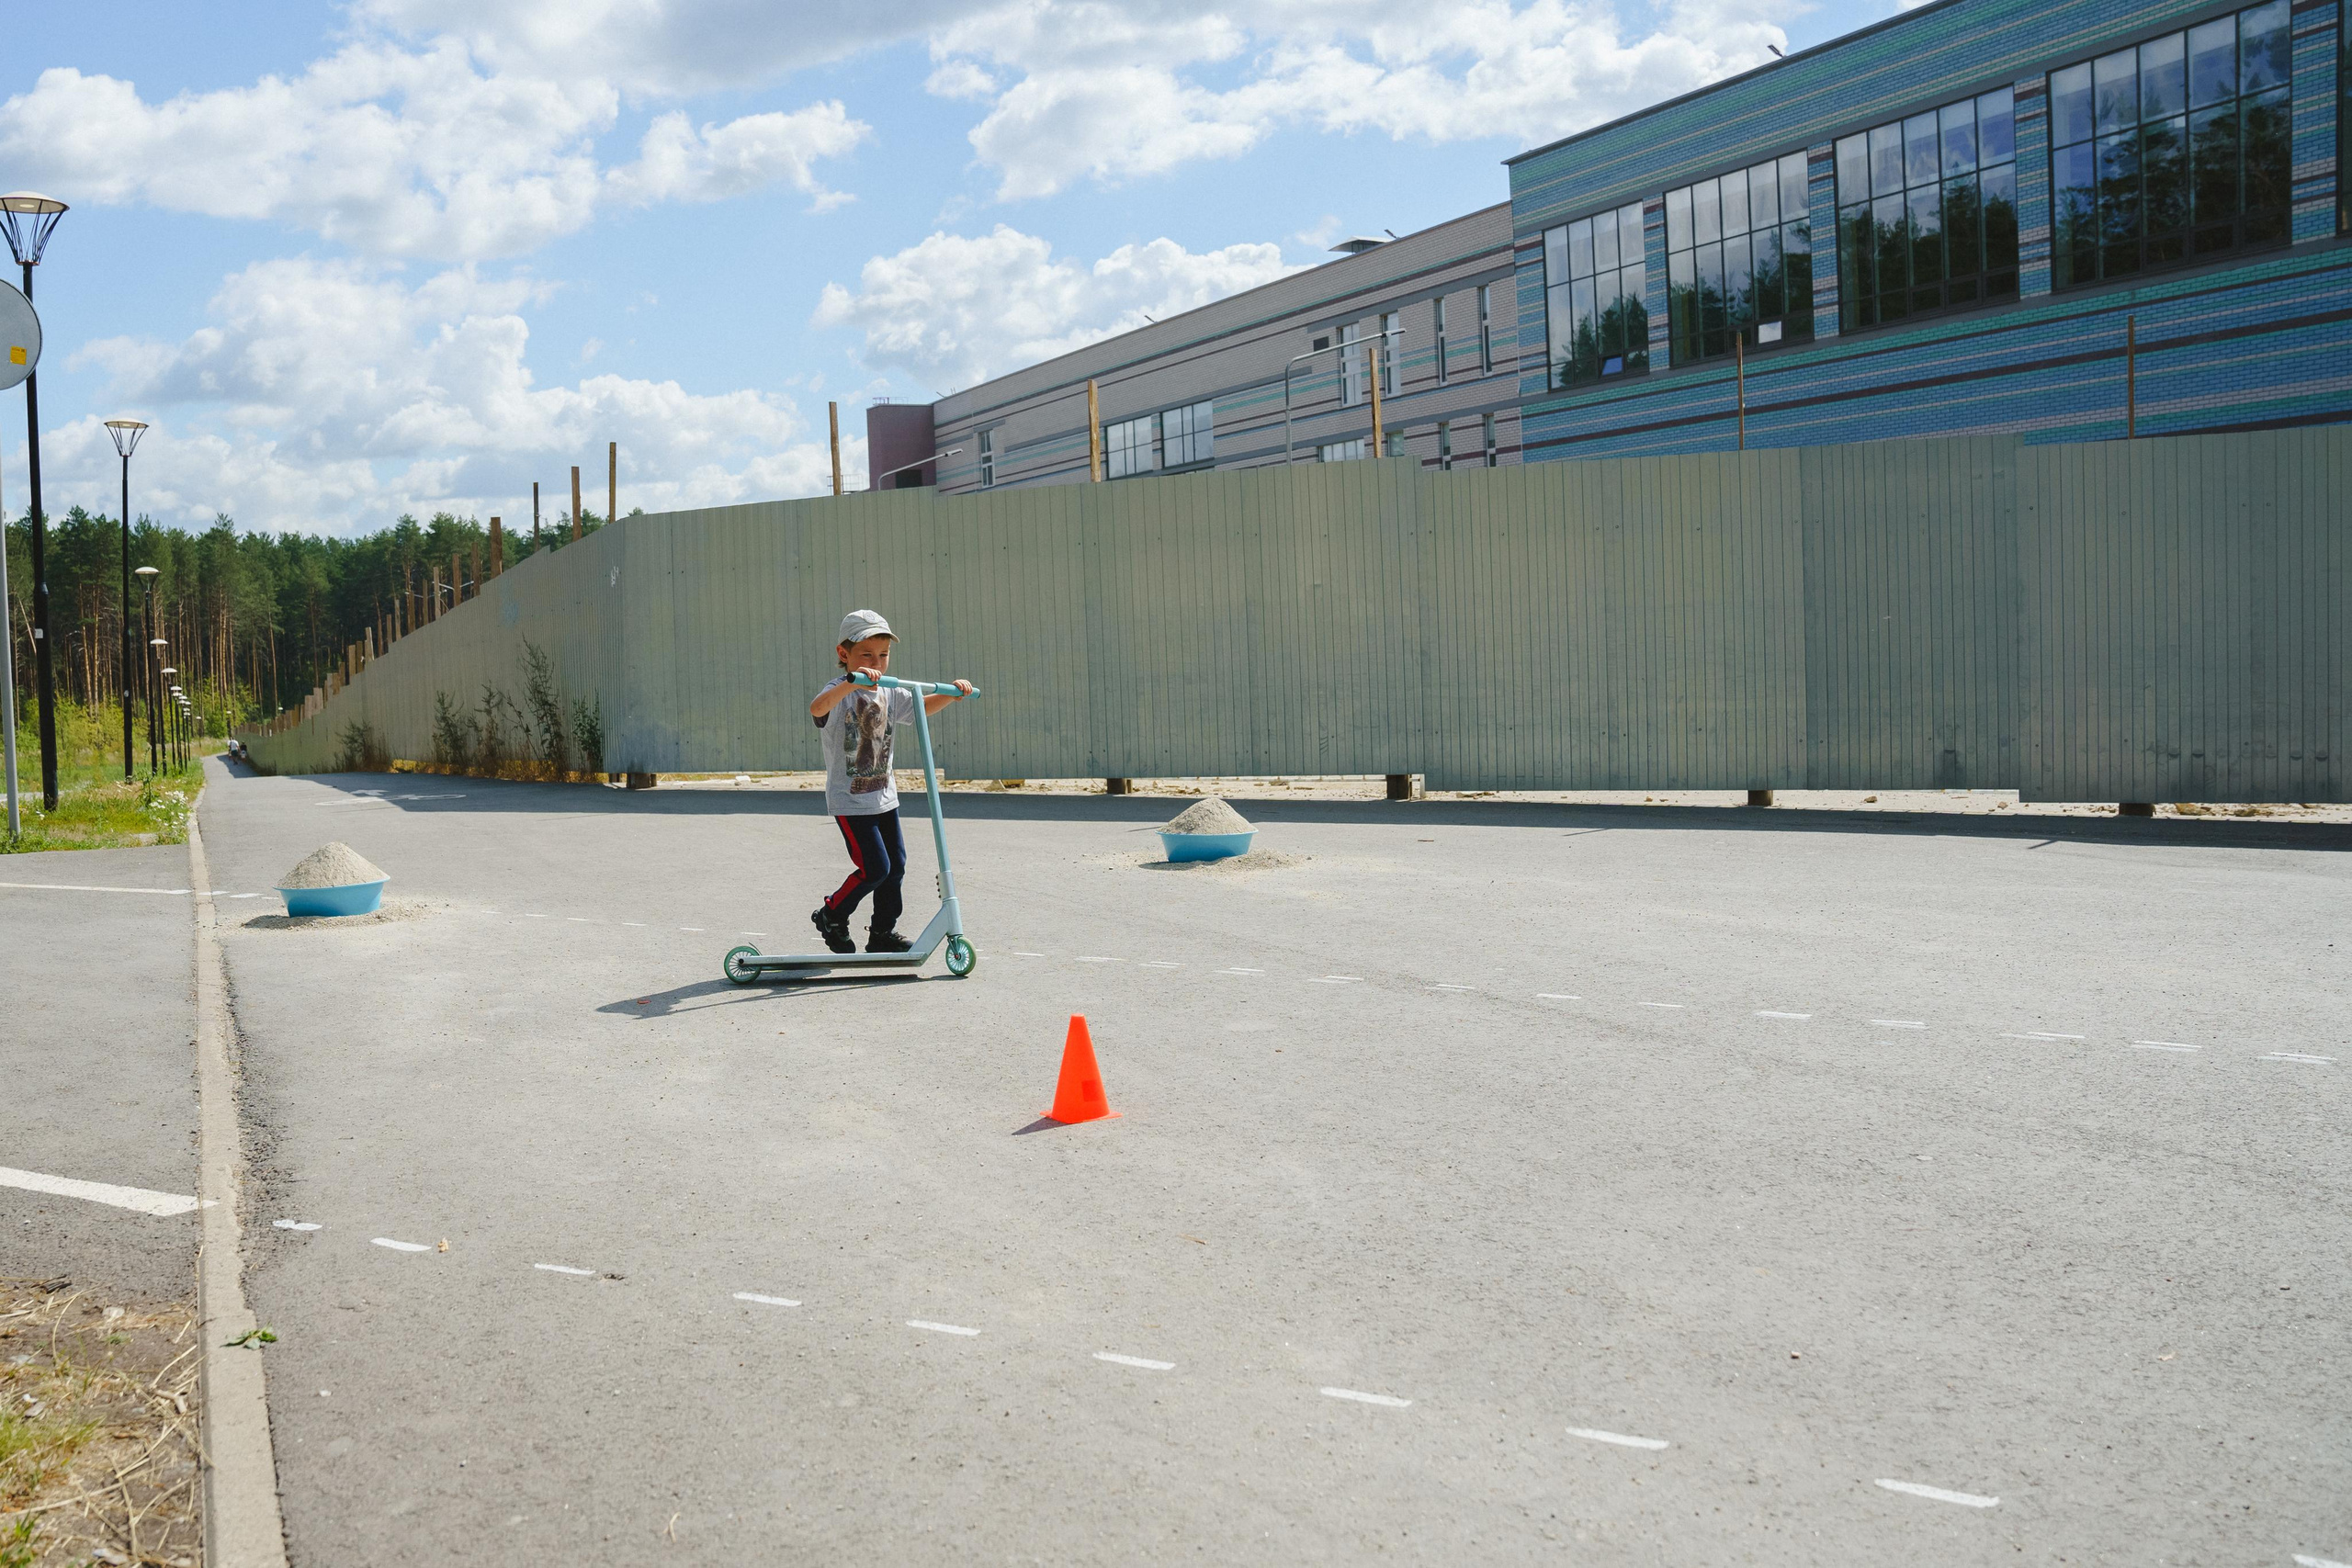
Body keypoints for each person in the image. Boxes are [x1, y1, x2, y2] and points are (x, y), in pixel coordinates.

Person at [808, 609, 972, 953]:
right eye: (866, 655)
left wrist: (952, 694)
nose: (876, 663)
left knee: (895, 866)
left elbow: (920, 708)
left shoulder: (888, 691)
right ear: (844, 655)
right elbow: (817, 709)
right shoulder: (841, 691)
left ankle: (882, 932)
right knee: (874, 868)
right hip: (851, 801)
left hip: (884, 797)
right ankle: (832, 913)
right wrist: (852, 681)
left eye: (883, 655)